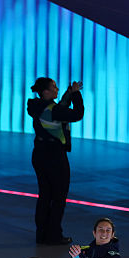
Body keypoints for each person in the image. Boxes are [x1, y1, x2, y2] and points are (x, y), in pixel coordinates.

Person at [27, 77, 84, 245]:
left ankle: (42, 235)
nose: (57, 89)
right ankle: (53, 235)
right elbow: (77, 114)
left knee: (45, 195)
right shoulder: (54, 110)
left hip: (39, 154)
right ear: (46, 92)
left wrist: (69, 93)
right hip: (54, 156)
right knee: (58, 196)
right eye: (54, 87)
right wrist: (76, 95)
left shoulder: (38, 106)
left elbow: (60, 108)